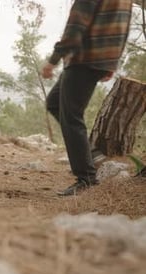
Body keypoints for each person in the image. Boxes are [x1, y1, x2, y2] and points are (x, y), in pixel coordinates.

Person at [41, 0, 133, 196]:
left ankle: (87, 177)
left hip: (83, 59)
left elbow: (75, 27)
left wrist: (53, 60)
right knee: (54, 103)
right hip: (99, 60)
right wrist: (111, 62)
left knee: (72, 117)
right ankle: (89, 153)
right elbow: (123, 27)